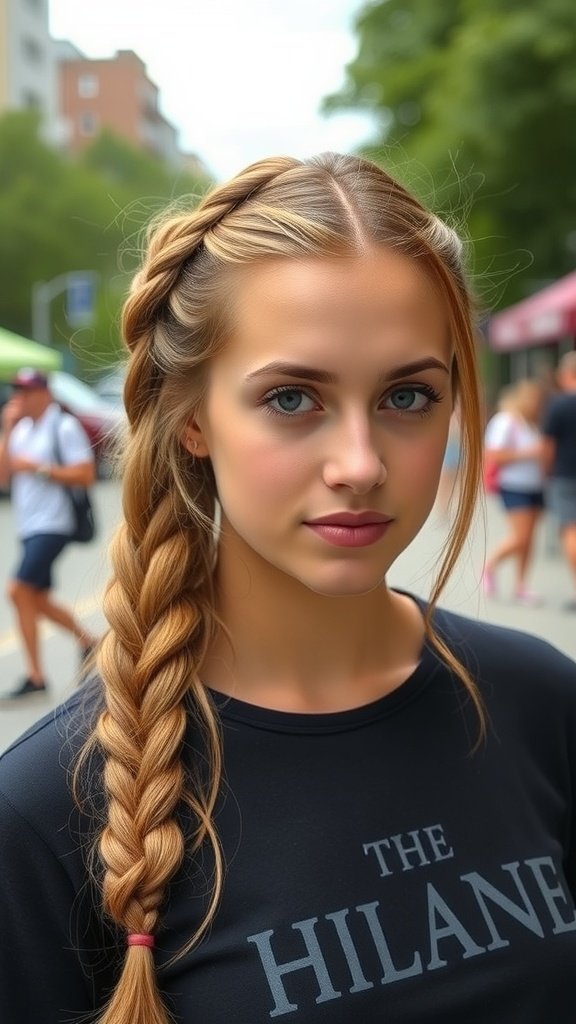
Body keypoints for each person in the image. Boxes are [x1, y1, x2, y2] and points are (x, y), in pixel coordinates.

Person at [0, 154, 575, 1024]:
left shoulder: (541, 701)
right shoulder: (49, 809)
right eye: (293, 399)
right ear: (192, 416)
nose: (360, 464)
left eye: (409, 395)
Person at [0, 367, 98, 696]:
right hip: (29, 524)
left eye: (26, 392)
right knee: (34, 598)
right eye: (17, 392)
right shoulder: (22, 429)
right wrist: (7, 428)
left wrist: (39, 470)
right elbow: (3, 476)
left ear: (44, 394)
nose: (19, 399)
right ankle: (88, 643)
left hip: (55, 523)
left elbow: (85, 475)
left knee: (17, 590)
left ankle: (36, 676)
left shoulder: (63, 425)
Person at [482, 378, 546, 604]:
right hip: (514, 485)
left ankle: (521, 585)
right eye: (534, 399)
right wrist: (529, 453)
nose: (538, 404)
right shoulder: (506, 421)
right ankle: (490, 565)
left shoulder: (533, 423)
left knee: (529, 540)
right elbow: (494, 455)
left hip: (537, 485)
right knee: (521, 537)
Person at [542, 350, 576, 610]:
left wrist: (545, 472)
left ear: (566, 375)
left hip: (564, 475)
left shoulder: (559, 404)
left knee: (570, 530)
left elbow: (548, 446)